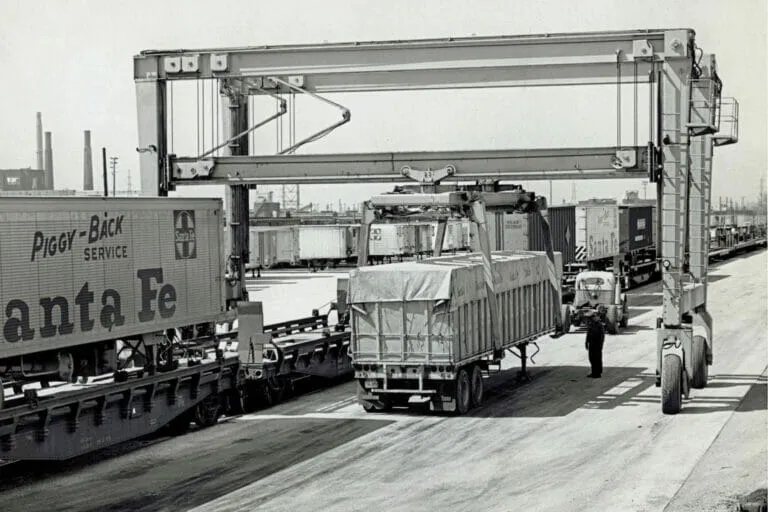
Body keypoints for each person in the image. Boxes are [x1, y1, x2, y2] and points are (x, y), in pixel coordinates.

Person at [585, 308, 606, 378]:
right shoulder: (591, 324)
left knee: (597, 359)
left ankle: (597, 373)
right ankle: (594, 372)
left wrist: (600, 345)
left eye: (591, 317)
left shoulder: (599, 325)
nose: (589, 319)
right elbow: (588, 334)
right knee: (591, 358)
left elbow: (602, 337)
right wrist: (586, 342)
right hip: (591, 344)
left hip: (597, 344)